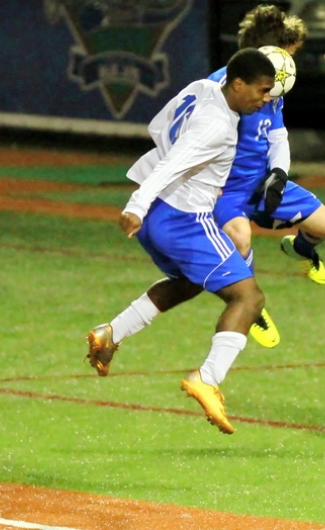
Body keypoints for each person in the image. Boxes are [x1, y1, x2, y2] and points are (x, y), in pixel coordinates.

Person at [85, 48, 276, 434]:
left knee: (190, 282)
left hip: (160, 213)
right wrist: (138, 205)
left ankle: (111, 333)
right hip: (182, 218)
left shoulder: (201, 88)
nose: (266, 98)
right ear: (238, 84)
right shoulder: (218, 125)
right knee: (249, 298)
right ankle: (207, 378)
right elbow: (175, 162)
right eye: (262, 90)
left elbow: (159, 126)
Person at [208, 5, 325, 349]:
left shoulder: (272, 88)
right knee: (240, 238)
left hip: (262, 181)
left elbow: (278, 137)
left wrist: (278, 174)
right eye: (289, 55)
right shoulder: (221, 85)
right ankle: (250, 304)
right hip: (226, 190)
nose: (291, 65)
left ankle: (300, 247)